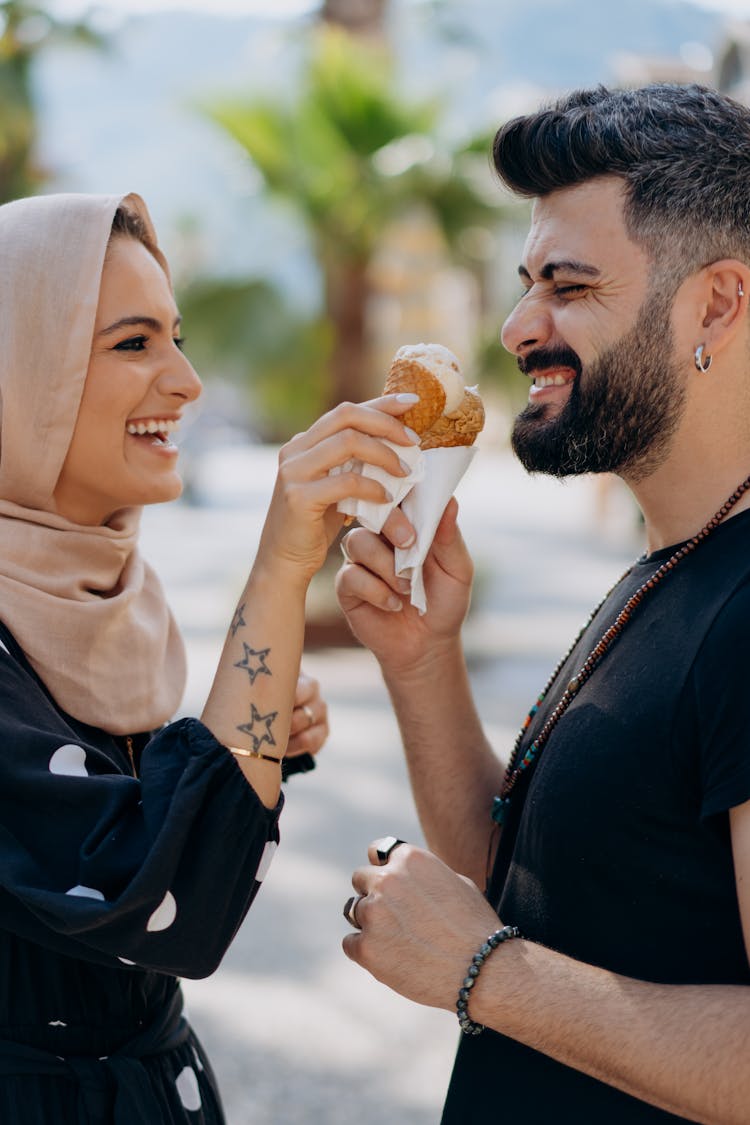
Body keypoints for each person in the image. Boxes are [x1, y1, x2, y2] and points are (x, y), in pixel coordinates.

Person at [336, 84, 750, 1124]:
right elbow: (534, 894)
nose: (521, 326)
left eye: (568, 286)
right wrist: (422, 658)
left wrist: (481, 972)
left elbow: (500, 950)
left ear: (718, 302)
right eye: (527, 283)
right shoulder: (672, 567)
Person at [0, 190, 421, 1123]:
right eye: (133, 342)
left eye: (177, 337)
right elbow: (166, 899)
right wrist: (282, 561)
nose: (187, 380)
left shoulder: (105, 600)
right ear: (19, 372)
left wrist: (254, 732)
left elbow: (126, 812)